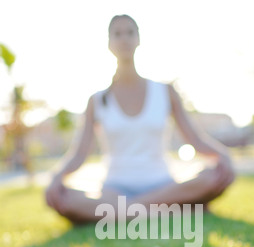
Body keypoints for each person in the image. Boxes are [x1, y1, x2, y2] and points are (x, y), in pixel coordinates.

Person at [45, 14, 235, 224]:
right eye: (117, 34)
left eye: (130, 33)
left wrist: (223, 155)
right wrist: (56, 177)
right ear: (109, 43)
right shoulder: (97, 100)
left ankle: (126, 213)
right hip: (114, 190)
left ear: (138, 39)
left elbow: (195, 140)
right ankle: (168, 210)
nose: (124, 39)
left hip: (164, 186)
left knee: (212, 176)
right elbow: (80, 153)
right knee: (64, 198)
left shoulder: (165, 92)